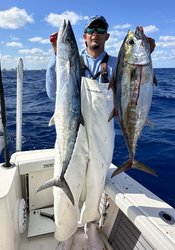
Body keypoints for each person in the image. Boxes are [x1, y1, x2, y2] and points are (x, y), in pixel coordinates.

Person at [46, 15, 155, 250]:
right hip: (71, 135)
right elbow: (52, 93)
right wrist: (57, 57)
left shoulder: (118, 63)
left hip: (102, 137)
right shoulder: (70, 59)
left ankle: (91, 225)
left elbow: (135, 83)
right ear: (84, 36)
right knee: (65, 183)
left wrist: (147, 52)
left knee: (96, 183)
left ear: (107, 36)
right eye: (91, 29)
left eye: (101, 29)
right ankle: (66, 233)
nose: (95, 32)